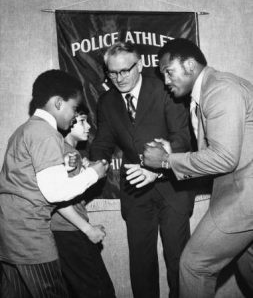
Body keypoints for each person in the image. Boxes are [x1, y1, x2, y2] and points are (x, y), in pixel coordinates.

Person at [139, 38, 253, 298]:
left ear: (189, 65)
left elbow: (224, 158)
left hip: (246, 197)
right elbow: (222, 149)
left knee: (194, 266)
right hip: (242, 193)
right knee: (248, 268)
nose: (166, 81)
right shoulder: (210, 92)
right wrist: (172, 153)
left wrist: (167, 161)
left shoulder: (220, 90)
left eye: (169, 72)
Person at [89, 41, 195, 298]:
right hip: (135, 191)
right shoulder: (107, 101)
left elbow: (181, 138)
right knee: (140, 262)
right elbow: (103, 142)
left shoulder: (165, 89)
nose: (119, 78)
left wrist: (156, 165)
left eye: (125, 70)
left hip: (173, 188)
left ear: (140, 65)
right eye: (112, 73)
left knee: (177, 259)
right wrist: (95, 162)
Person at [0, 69, 109, 298]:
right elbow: (54, 193)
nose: (73, 116)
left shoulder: (23, 130)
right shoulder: (47, 133)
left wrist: (66, 170)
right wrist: (93, 174)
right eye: (73, 108)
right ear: (59, 103)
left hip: (9, 237)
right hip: (31, 238)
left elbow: (27, 181)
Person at [51, 108, 116, 298]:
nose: (88, 126)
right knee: (100, 291)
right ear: (68, 122)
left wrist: (85, 175)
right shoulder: (67, 152)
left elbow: (71, 197)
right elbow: (60, 200)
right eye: (82, 121)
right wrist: (87, 229)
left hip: (66, 232)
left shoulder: (67, 151)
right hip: (69, 233)